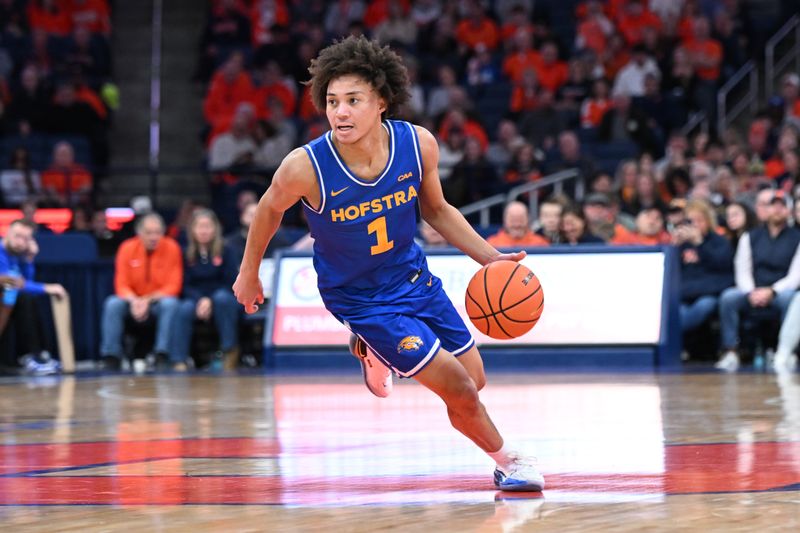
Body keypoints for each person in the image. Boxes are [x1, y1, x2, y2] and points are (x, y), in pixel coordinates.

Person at [232, 36, 544, 492]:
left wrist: (491, 258)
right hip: (358, 297)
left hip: (413, 278)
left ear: (381, 101)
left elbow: (436, 211)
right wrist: (248, 272)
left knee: (474, 382)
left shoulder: (417, 145)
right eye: (332, 101)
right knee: (457, 388)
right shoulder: (306, 166)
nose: (340, 112)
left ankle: (372, 350)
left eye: (353, 100)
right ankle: (509, 461)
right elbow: (268, 209)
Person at [716, 191, 800, 371]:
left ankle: (785, 351)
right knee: (728, 297)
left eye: (782, 205)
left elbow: (795, 275)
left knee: (792, 299)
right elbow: (742, 269)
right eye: (773, 205)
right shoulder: (750, 236)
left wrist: (772, 291)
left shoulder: (797, 237)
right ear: (765, 210)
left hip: (780, 292)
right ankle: (731, 351)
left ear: (789, 211)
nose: (777, 210)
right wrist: (751, 291)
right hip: (752, 291)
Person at [99, 213, 182, 371]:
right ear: (139, 233)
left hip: (157, 302)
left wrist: (147, 300)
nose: (153, 237)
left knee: (171, 304)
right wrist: (135, 301)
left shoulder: (172, 248)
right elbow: (121, 284)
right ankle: (111, 356)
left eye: (157, 232)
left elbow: (174, 286)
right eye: (149, 232)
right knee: (112, 303)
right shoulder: (127, 248)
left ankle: (161, 354)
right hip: (132, 301)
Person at [172, 209, 240, 371]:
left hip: (221, 295)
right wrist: (200, 300)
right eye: (200, 227)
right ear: (192, 230)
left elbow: (231, 281)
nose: (204, 231)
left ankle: (230, 350)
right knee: (184, 308)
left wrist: (209, 300)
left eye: (208, 226)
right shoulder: (185, 253)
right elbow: (184, 284)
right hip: (195, 297)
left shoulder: (227, 250)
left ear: (215, 229)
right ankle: (179, 358)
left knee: (222, 299)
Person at [0, 219, 67, 375]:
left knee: (28, 299)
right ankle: (31, 356)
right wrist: (46, 287)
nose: (20, 242)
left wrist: (29, 258)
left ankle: (37, 355)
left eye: (26, 239)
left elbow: (25, 284)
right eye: (17, 236)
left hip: (5, 304)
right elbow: (13, 282)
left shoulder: (16, 256)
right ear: (7, 233)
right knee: (24, 299)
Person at [672, 200, 734, 334]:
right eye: (691, 221)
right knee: (676, 311)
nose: (695, 225)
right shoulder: (682, 244)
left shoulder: (719, 241)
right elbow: (670, 270)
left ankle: (677, 342)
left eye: (700, 220)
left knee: (703, 307)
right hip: (685, 293)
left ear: (708, 221)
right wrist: (674, 248)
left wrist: (700, 243)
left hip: (709, 292)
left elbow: (722, 265)